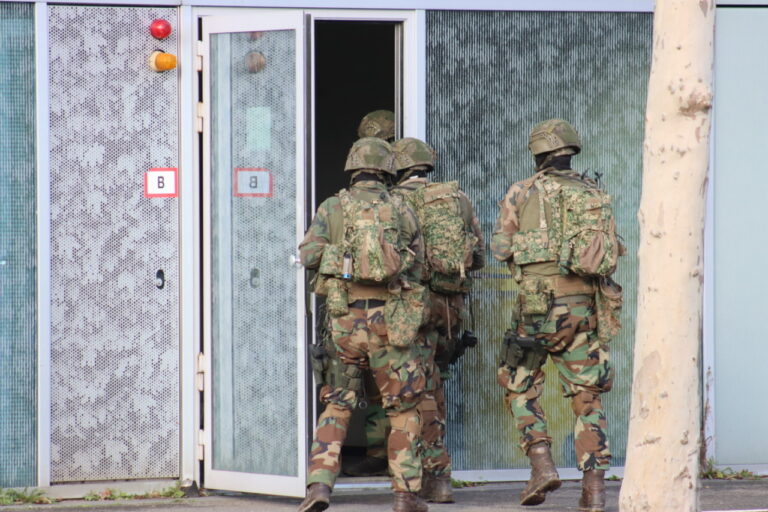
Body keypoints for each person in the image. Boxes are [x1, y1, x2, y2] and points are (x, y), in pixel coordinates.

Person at [491, 119, 622, 512]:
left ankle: (541, 463)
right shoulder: (593, 193)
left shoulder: (522, 191)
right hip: (584, 307)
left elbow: (500, 248)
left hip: (536, 308)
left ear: (538, 152)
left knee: (518, 382)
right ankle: (594, 491)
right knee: (587, 396)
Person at [299, 137, 429, 512]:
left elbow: (308, 255)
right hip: (391, 322)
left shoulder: (333, 207)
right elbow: (419, 266)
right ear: (387, 170)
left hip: (345, 320)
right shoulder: (401, 207)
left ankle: (319, 486)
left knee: (337, 404)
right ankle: (405, 495)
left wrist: (343, 259)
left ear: (353, 167)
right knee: (402, 408)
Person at [390, 137, 485, 503]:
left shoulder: (392, 202)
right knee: (435, 387)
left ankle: (424, 476)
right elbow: (478, 256)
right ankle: (440, 480)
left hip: (412, 308)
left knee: (412, 393)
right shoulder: (455, 199)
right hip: (449, 309)